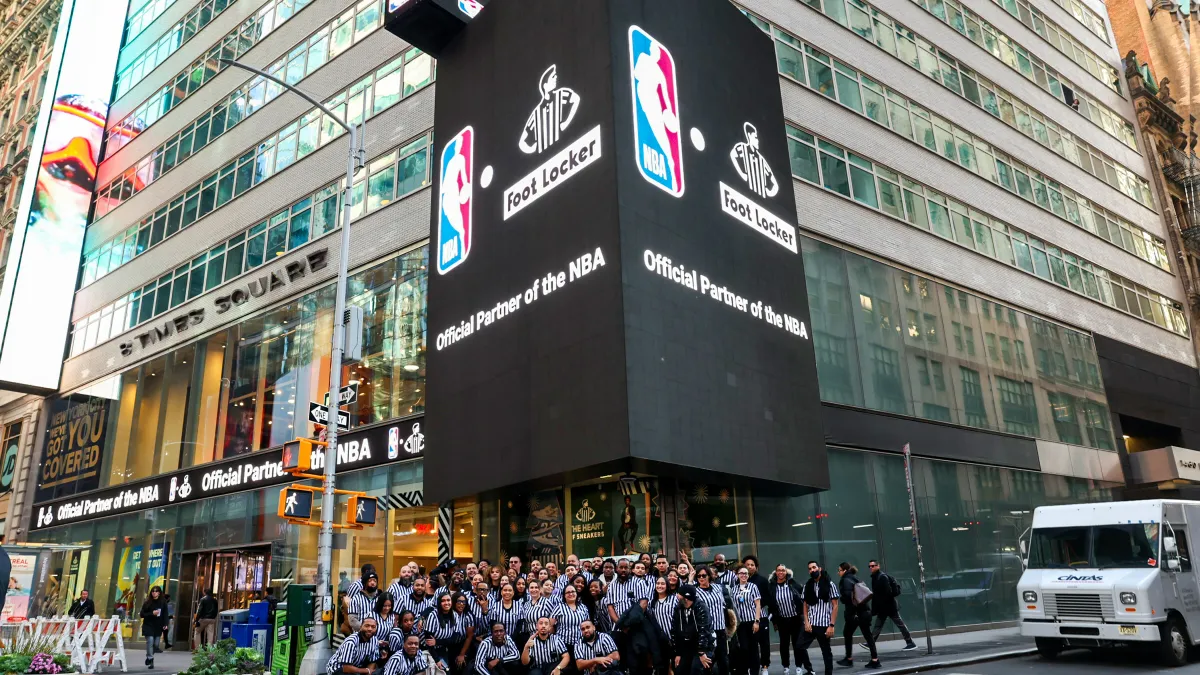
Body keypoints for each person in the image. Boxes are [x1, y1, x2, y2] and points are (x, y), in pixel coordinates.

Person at [836, 563, 880, 669]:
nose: (838, 572)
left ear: (845, 570)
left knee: (847, 633)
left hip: (856, 613)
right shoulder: (856, 578)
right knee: (867, 635)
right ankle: (875, 660)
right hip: (864, 611)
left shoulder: (845, 580)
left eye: (840, 570)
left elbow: (848, 597)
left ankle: (849, 659)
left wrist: (842, 599)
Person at [797, 563, 838, 675]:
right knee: (799, 646)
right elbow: (805, 605)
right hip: (810, 623)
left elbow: (835, 606)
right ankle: (810, 670)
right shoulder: (807, 585)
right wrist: (806, 621)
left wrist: (832, 625)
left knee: (826, 652)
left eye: (814, 567)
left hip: (824, 624)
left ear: (819, 569)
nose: (812, 570)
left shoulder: (830, 584)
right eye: (809, 568)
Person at [867, 561, 916, 650]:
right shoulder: (875, 577)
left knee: (900, 624)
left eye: (873, 566)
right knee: (878, 625)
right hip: (884, 607)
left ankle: (910, 642)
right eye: (869, 566)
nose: (871, 568)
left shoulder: (882, 577)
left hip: (889, 607)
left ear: (878, 566)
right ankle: (871, 642)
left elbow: (887, 592)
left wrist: (882, 602)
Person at [765, 565, 804, 675]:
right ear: (776, 573)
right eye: (779, 570)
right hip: (782, 620)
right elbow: (771, 605)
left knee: (797, 644)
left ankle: (798, 666)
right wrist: (774, 622)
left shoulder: (792, 583)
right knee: (784, 645)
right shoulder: (772, 586)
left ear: (786, 572)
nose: (781, 572)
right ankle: (786, 666)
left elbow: (801, 595)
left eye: (783, 570)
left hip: (795, 618)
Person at [693, 567, 730, 675]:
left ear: (709, 576)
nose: (701, 578)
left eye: (703, 575)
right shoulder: (696, 591)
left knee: (723, 660)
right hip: (707, 632)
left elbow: (726, 605)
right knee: (708, 662)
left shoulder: (718, 587)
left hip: (720, 628)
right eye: (698, 576)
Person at [669, 586, 714, 675]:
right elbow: (675, 630)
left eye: (679, 594)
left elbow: (704, 630)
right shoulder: (678, 608)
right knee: (680, 669)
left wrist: (701, 652)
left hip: (703, 645)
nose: (677, 596)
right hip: (686, 646)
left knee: (696, 669)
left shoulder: (700, 607)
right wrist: (678, 653)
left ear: (686, 597)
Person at [424, 592, 468, 672]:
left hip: (442, 648)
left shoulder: (455, 616)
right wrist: (437, 660)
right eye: (443, 601)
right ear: (439, 603)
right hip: (427, 650)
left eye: (448, 600)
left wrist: (437, 642)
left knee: (445, 671)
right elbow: (429, 643)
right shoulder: (433, 616)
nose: (446, 603)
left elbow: (454, 639)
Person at [741, 557, 770, 675]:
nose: (750, 566)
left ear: (756, 567)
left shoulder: (762, 580)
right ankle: (751, 666)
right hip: (746, 619)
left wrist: (755, 607)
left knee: (763, 643)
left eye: (752, 564)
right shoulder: (739, 581)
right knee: (748, 646)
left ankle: (765, 666)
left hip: (761, 617)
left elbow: (768, 598)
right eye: (747, 564)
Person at [730, 567, 761, 675]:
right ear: (737, 575)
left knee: (754, 648)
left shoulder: (753, 586)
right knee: (743, 648)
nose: (744, 575)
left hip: (752, 621)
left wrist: (757, 621)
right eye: (741, 573)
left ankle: (755, 671)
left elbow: (758, 605)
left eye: (746, 573)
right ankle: (745, 670)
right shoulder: (733, 589)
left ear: (748, 575)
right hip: (740, 624)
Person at [647, 577, 676, 675]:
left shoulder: (674, 599)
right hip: (661, 640)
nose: (660, 586)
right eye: (658, 583)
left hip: (675, 638)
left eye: (662, 583)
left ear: (667, 585)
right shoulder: (652, 602)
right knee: (664, 668)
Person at [140, 586, 169, 669]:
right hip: (148, 625)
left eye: (156, 591)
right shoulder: (148, 602)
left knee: (155, 645)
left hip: (158, 626)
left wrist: (165, 624)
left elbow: (165, 614)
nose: (154, 593)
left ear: (159, 593)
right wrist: (152, 613)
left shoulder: (163, 602)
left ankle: (149, 656)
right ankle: (150, 659)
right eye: (153, 591)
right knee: (150, 640)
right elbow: (142, 614)